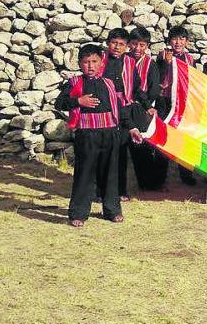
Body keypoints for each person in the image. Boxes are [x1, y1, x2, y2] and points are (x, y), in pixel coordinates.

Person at [55, 44, 143, 227]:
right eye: (86, 62)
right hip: (87, 135)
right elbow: (60, 103)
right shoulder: (74, 83)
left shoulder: (109, 84)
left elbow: (120, 109)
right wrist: (78, 101)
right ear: (79, 64)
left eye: (94, 61)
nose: (90, 66)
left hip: (110, 134)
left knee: (110, 174)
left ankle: (112, 210)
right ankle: (78, 213)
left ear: (101, 62)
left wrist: (132, 128)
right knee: (84, 174)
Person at [100, 28, 141, 201]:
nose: (117, 47)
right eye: (114, 43)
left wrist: (147, 106)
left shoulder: (130, 62)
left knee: (121, 152)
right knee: (103, 151)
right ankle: (100, 191)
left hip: (124, 111)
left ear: (127, 46)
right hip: (104, 110)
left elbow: (136, 87)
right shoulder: (100, 61)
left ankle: (120, 190)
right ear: (108, 43)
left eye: (121, 44)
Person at [156, 25, 197, 186]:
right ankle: (160, 177)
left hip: (183, 102)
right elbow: (157, 78)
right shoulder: (162, 56)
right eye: (174, 39)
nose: (178, 42)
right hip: (165, 101)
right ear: (169, 41)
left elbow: (193, 80)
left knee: (184, 137)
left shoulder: (190, 59)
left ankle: (186, 175)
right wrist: (165, 63)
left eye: (182, 39)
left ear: (186, 42)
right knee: (163, 136)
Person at [127, 27, 162, 191]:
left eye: (142, 45)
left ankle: (149, 182)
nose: (137, 48)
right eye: (134, 44)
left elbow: (154, 88)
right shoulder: (124, 60)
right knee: (129, 145)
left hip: (142, 108)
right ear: (129, 44)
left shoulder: (150, 64)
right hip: (124, 107)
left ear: (147, 46)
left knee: (142, 144)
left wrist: (146, 104)